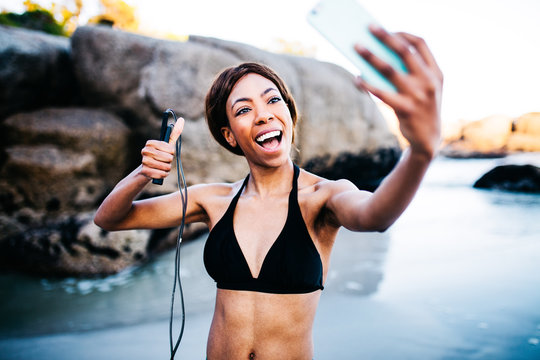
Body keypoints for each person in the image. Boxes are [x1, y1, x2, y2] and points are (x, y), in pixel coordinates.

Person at [94, 25, 442, 360]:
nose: (263, 115)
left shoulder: (323, 196)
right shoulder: (210, 200)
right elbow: (109, 219)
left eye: (272, 100)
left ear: (289, 115)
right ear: (230, 135)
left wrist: (420, 152)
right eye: (243, 110)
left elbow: (375, 216)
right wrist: (142, 174)